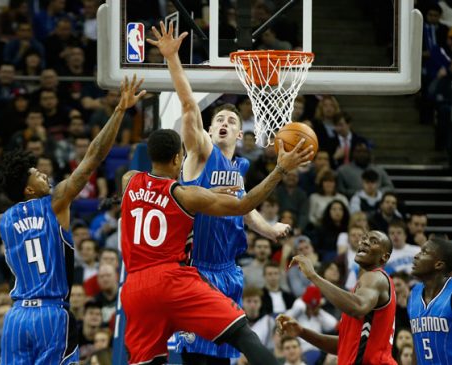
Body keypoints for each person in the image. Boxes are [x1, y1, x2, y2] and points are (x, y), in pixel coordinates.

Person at [0, 76, 146, 364]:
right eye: (37, 175)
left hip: (16, 319)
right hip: (50, 315)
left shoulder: (3, 220)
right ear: (28, 189)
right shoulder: (55, 203)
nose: (44, 175)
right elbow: (93, 156)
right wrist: (119, 111)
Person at [148, 21, 294, 364]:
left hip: (230, 271)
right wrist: (172, 59)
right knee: (198, 357)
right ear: (209, 131)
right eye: (219, 120)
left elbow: (243, 208)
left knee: (222, 358)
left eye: (231, 119)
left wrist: (269, 229)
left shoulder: (240, 170)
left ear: (241, 136)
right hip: (198, 270)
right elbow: (187, 107)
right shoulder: (200, 155)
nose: (225, 122)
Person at [120, 128, 313, 365]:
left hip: (135, 287)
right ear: (178, 159)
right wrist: (280, 169)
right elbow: (244, 206)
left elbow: (155, 200)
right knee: (243, 334)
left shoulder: (128, 180)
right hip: (172, 280)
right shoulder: (186, 196)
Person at [277, 230, 397, 364]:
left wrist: (314, 276)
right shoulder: (360, 289)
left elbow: (358, 307)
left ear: (384, 257)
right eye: (364, 238)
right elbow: (344, 344)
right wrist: (302, 332)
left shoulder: (376, 277)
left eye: (373, 241)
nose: (365, 242)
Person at [407, 237, 452, 364]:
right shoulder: (413, 294)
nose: (416, 256)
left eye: (424, 252)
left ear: (438, 264)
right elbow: (417, 346)